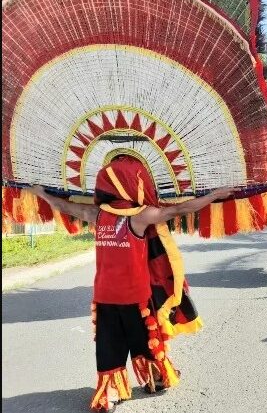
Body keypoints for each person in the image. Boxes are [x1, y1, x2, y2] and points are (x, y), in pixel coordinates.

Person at [28, 155, 235, 412]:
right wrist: (214, 195)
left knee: (109, 346)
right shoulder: (140, 216)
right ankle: (155, 378)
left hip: (105, 296)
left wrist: (42, 194)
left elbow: (66, 207)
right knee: (147, 341)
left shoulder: (96, 214)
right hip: (136, 299)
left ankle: (112, 392)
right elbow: (180, 209)